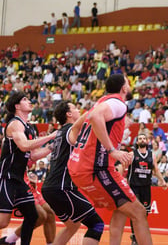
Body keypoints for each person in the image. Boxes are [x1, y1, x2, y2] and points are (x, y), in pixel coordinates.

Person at [67, 74, 153, 245]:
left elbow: (76, 127)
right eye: (128, 82)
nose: (129, 85)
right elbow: (94, 118)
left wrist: (80, 149)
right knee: (139, 212)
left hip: (78, 167)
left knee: (121, 209)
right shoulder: (118, 103)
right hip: (95, 169)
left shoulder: (100, 103)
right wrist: (112, 150)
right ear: (124, 88)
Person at [41, 101, 104, 245]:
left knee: (73, 225)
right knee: (96, 224)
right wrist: (99, 107)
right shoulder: (70, 129)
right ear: (68, 114)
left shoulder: (60, 134)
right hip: (61, 188)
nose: (78, 110)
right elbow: (85, 120)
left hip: (50, 188)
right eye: (75, 108)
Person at [0, 91, 56, 245]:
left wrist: (51, 147)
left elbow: (32, 156)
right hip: (7, 177)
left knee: (33, 216)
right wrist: (51, 136)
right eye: (25, 99)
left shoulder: (29, 128)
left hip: (19, 179)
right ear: (17, 106)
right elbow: (24, 146)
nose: (29, 101)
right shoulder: (15, 124)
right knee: (3, 222)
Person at [126, 134, 167, 244]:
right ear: (137, 142)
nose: (142, 140)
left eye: (144, 138)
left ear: (147, 141)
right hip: (134, 186)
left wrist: (162, 181)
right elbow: (124, 168)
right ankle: (135, 236)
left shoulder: (151, 155)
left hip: (146, 187)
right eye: (140, 138)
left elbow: (156, 169)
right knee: (136, 212)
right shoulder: (132, 154)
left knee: (145, 212)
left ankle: (139, 234)